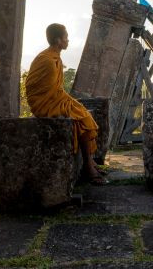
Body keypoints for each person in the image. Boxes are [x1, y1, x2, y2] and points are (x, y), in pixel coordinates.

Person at [25, 23, 107, 184]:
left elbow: (55, 90)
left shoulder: (54, 57)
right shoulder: (47, 60)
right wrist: (67, 102)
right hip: (44, 104)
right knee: (82, 119)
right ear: (58, 40)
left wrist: (68, 101)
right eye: (66, 37)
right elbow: (44, 91)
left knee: (83, 115)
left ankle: (89, 164)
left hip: (54, 99)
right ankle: (89, 169)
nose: (68, 40)